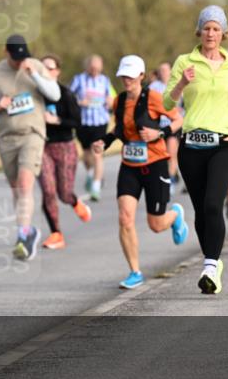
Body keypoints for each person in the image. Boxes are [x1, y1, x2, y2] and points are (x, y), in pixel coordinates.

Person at [164, 5, 228, 295]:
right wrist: (182, 83)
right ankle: (212, 262)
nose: (211, 33)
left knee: (213, 203)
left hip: (225, 143)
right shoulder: (184, 62)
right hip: (191, 145)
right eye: (206, 28)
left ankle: (210, 266)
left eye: (216, 29)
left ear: (224, 33)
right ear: (199, 31)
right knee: (201, 210)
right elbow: (166, 102)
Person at [93, 55, 188, 288]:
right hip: (129, 166)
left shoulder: (154, 98)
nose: (127, 80)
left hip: (155, 164)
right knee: (125, 218)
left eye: (131, 76)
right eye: (123, 76)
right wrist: (104, 141)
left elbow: (178, 120)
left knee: (156, 225)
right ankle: (135, 271)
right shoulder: (119, 101)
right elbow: (120, 129)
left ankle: (175, 216)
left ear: (142, 76)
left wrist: (160, 133)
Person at [0, 34, 61, 260]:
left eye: (23, 57)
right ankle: (28, 230)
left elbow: (55, 94)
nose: (20, 62)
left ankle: (22, 235)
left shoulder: (35, 65)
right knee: (16, 188)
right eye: (16, 58)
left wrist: (35, 75)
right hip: (6, 138)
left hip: (32, 133)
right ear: (6, 53)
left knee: (25, 183)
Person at [37, 54, 92, 250]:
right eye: (42, 68)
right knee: (48, 190)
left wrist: (57, 120)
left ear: (57, 71)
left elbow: (77, 121)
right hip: (42, 147)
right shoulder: (35, 95)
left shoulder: (65, 94)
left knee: (64, 193)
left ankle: (75, 202)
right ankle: (56, 234)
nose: (45, 72)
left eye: (50, 68)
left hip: (65, 146)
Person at [70, 55, 114, 201]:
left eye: (97, 66)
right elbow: (69, 97)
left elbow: (111, 98)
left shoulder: (105, 80)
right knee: (86, 154)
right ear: (87, 66)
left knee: (97, 153)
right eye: (92, 66)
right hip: (83, 122)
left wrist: (109, 101)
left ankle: (96, 186)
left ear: (101, 67)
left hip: (100, 121)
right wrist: (79, 102)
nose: (95, 69)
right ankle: (90, 174)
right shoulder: (78, 79)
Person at [148, 61, 181, 186]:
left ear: (171, 71)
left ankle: (170, 183)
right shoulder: (153, 86)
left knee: (171, 153)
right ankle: (167, 176)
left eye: (165, 70)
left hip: (173, 125)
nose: (163, 73)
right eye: (161, 70)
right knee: (161, 156)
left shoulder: (177, 84)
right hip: (158, 126)